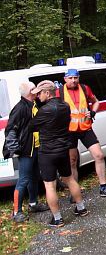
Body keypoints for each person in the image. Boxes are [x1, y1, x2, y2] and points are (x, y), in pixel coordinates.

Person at [29, 80, 87, 228]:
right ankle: (81, 208)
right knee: (69, 179)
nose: (37, 97)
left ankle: (57, 219)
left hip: (47, 152)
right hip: (63, 150)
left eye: (39, 94)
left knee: (49, 185)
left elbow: (32, 126)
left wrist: (37, 109)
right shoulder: (65, 106)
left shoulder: (45, 110)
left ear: (47, 93)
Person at [56, 68, 106, 197]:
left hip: (85, 128)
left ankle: (103, 187)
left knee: (99, 155)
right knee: (72, 161)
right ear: (65, 79)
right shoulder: (59, 92)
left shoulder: (84, 88)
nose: (73, 81)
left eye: (75, 78)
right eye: (70, 78)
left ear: (78, 78)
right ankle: (75, 193)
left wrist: (93, 112)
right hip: (69, 131)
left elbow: (96, 102)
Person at [2, 82, 49, 223]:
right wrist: (15, 148)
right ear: (30, 92)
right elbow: (10, 129)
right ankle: (16, 212)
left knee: (34, 177)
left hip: (35, 148)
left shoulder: (33, 104)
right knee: (23, 180)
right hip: (25, 150)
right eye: (34, 88)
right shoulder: (20, 108)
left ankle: (33, 204)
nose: (37, 90)